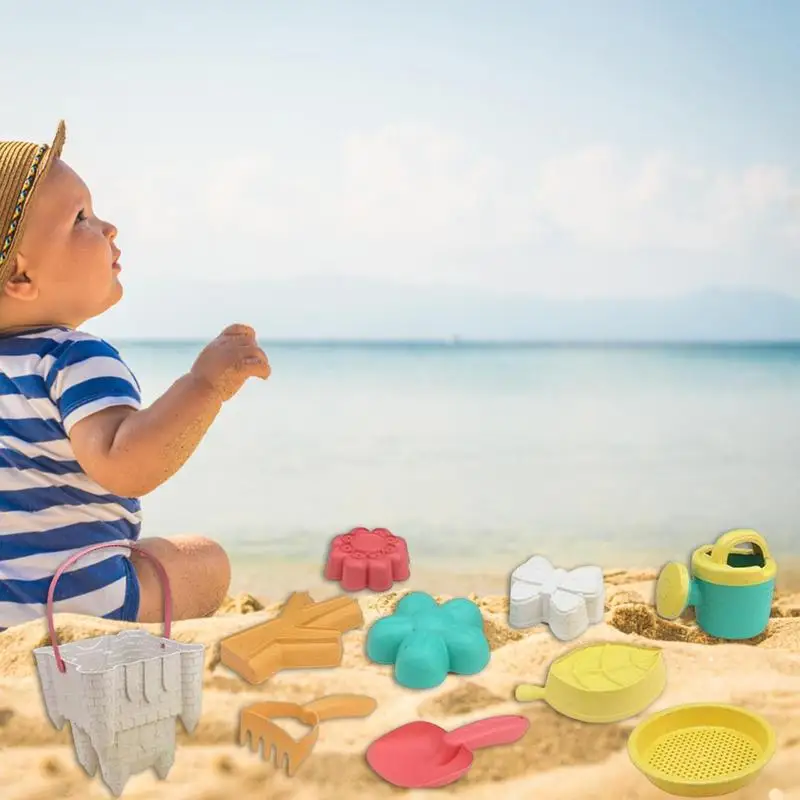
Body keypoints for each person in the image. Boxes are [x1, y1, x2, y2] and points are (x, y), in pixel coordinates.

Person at [0, 121, 270, 631]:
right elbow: (126, 464)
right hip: (77, 608)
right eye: (81, 217)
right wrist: (204, 386)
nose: (108, 228)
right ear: (21, 276)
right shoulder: (73, 358)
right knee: (204, 560)